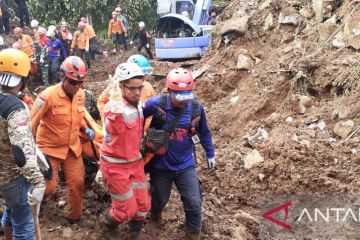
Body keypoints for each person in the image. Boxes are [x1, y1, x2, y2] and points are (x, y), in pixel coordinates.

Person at [143, 68, 215, 240]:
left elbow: (204, 132)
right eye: (178, 97)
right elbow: (138, 117)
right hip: (161, 165)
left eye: (186, 96)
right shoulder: (155, 104)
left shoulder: (197, 109)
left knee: (194, 203)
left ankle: (192, 235)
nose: (183, 101)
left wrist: (210, 153)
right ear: (169, 91)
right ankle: (155, 216)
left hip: (185, 164)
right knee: (159, 200)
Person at [31, 56, 94, 223]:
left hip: (72, 148)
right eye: (73, 82)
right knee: (48, 188)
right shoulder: (47, 96)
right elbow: (31, 122)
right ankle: (30, 205)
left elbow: (77, 117)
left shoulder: (81, 95)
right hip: (49, 149)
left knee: (77, 183)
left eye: (81, 83)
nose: (77, 86)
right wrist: (29, 150)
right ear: (62, 77)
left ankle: (75, 217)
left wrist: (85, 128)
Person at [98, 62, 150, 239]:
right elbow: (115, 127)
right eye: (132, 88)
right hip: (116, 166)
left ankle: (133, 235)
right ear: (121, 86)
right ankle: (108, 223)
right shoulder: (114, 110)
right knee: (125, 210)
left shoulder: (139, 105)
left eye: (140, 88)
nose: (137, 92)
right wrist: (115, 102)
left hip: (135, 163)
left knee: (143, 206)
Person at [0, 48, 46, 240]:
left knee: (11, 210)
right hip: (13, 176)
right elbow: (20, 151)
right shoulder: (16, 108)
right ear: (23, 79)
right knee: (24, 226)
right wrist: (37, 180)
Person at [97, 54, 156, 123]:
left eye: (143, 77)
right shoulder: (115, 87)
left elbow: (153, 110)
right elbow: (101, 102)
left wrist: (144, 128)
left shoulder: (148, 88)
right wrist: (109, 121)